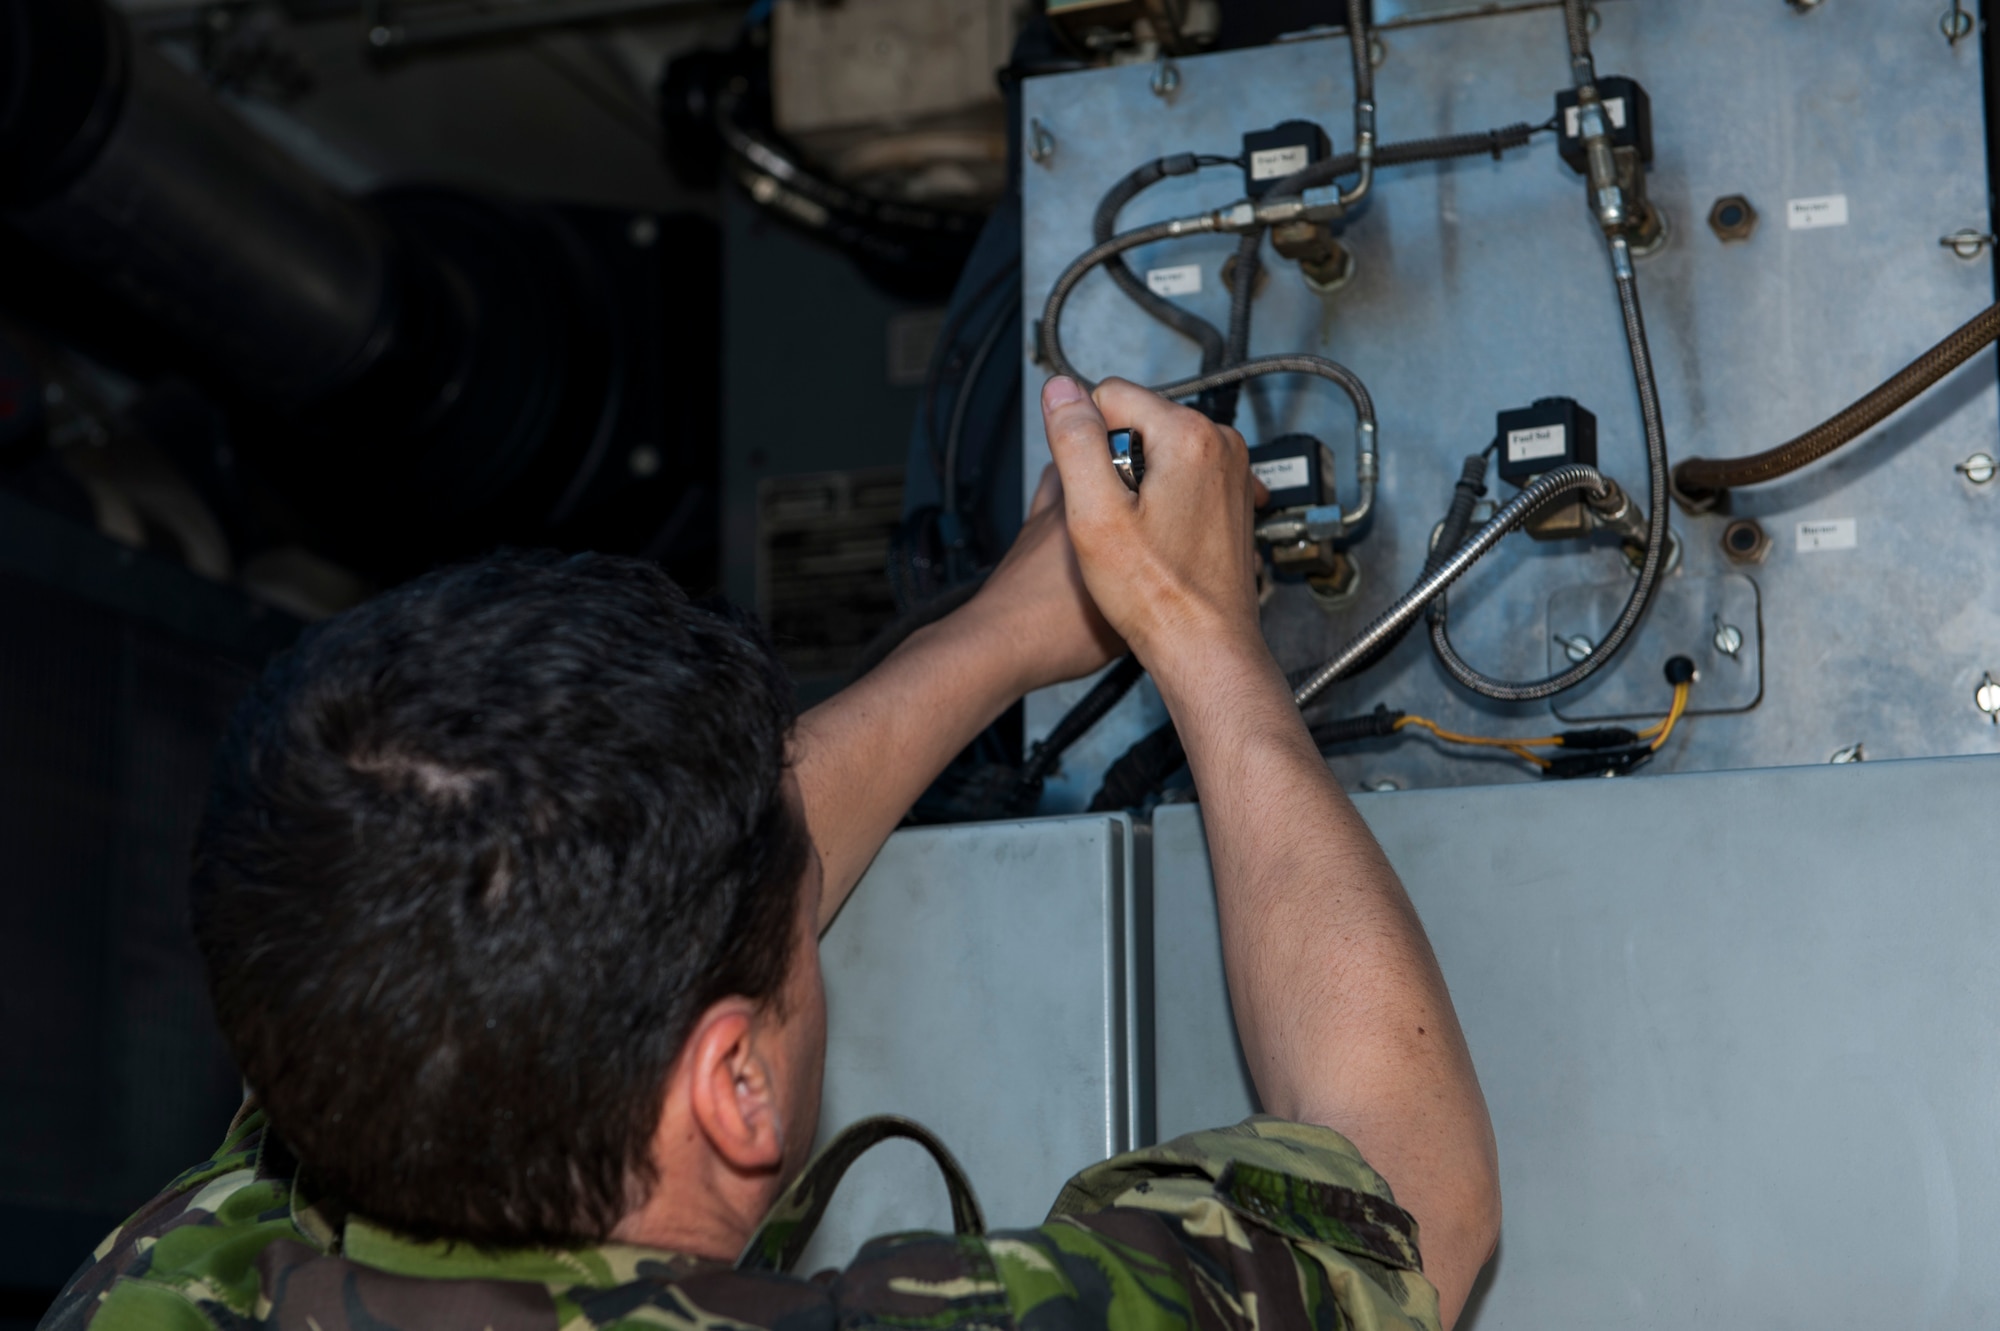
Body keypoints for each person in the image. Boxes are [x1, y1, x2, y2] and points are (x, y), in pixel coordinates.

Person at [39, 378, 1500, 1331]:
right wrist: (1198, 628)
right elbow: (1407, 1182)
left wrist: (1001, 635)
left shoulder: (166, 1289)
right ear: (734, 1087)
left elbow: (626, 870)